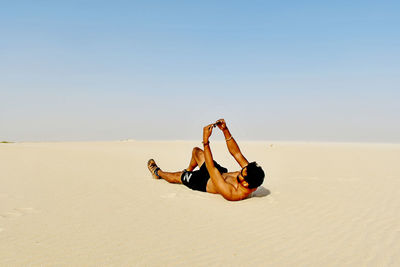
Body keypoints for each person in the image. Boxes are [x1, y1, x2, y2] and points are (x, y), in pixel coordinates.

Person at [147, 119, 265, 201]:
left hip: (203, 181)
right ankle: (187, 171)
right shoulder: (251, 175)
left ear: (245, 183)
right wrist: (225, 130)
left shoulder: (232, 193)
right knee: (196, 152)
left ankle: (158, 172)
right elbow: (237, 153)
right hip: (219, 172)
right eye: (243, 169)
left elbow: (211, 168)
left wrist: (206, 140)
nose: (240, 170)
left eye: (242, 174)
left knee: (178, 176)